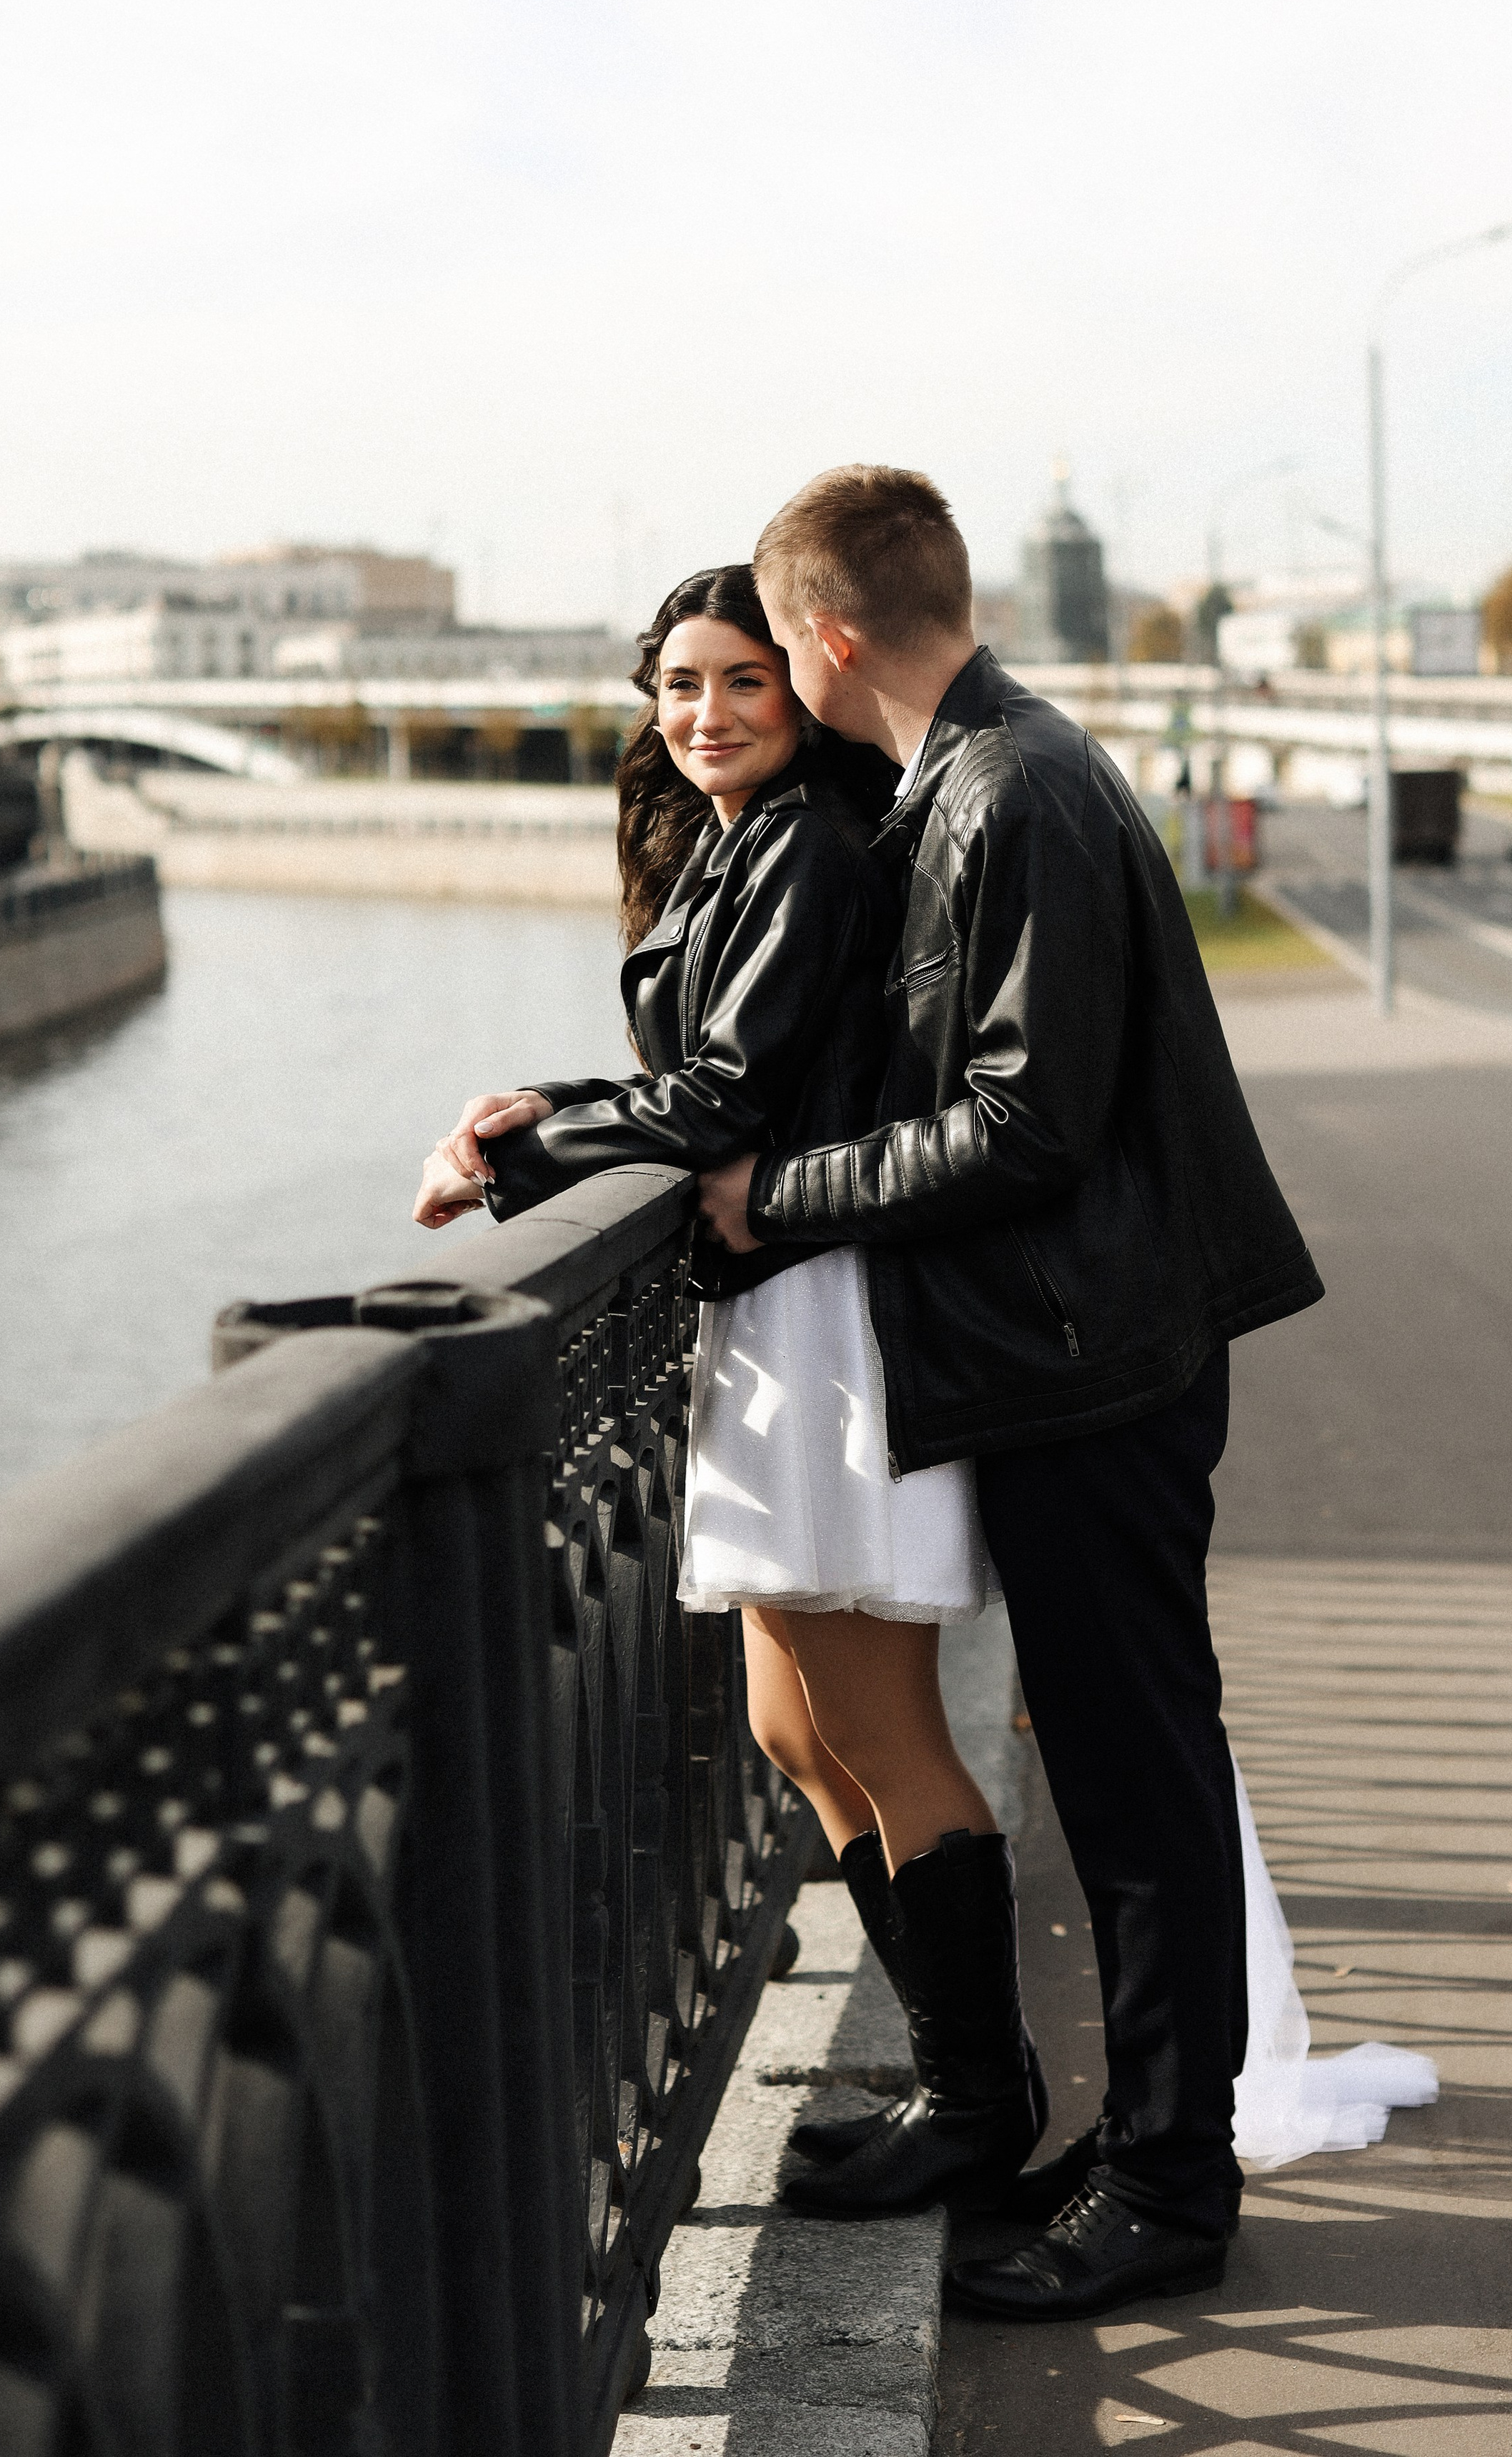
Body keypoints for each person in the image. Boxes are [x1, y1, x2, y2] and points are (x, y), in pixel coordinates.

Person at [693, 465, 1326, 2320]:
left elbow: (1025, 1122)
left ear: (822, 635)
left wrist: (775, 1193)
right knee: (1126, 1772)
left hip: (1096, 1355)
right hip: (1084, 1348)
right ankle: (1142, 2148)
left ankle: (1168, 2194)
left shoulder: (1011, 789)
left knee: (1137, 1779)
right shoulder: (988, 772)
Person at [413, 564, 1049, 2220]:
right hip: (773, 1309)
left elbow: (726, 1094)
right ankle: (953, 2072)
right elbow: (704, 1077)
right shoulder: (746, 843)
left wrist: (512, 1163)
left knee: (872, 1721)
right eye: (677, 685)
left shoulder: (816, 846)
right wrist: (543, 1101)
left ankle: (980, 2101)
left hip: (834, 1310)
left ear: (799, 690)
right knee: (790, 1718)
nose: (701, 714)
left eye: (739, 683)